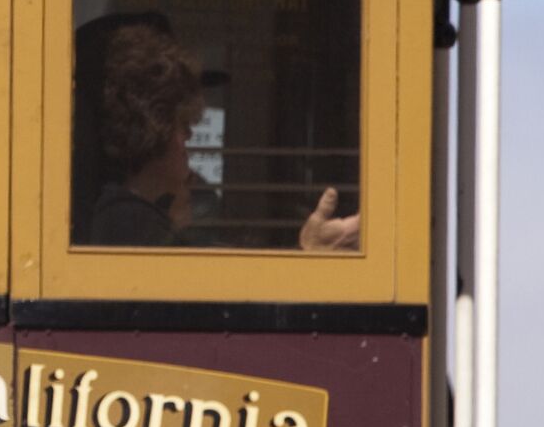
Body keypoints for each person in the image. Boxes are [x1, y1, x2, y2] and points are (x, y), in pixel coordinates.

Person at [76, 15, 360, 251]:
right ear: (152, 131)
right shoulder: (131, 222)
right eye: (182, 124)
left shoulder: (135, 216)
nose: (188, 139)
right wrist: (311, 253)